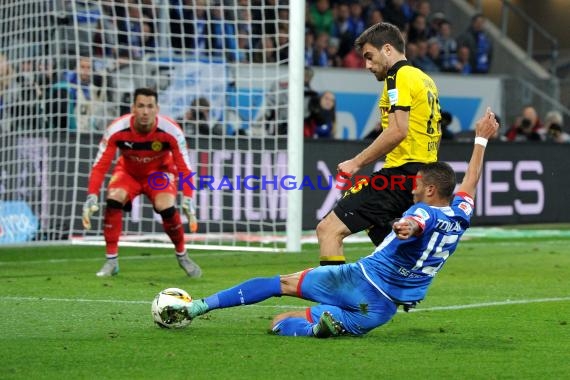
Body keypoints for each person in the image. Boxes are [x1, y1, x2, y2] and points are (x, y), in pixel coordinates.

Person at [161, 109, 499, 338]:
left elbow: (418, 222)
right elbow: (470, 179)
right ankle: (321, 324)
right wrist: (481, 140)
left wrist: (405, 227)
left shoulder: (423, 213)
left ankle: (198, 308)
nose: (411, 187)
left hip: (357, 281)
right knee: (287, 324)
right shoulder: (460, 214)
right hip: (380, 311)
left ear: (429, 189)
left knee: (279, 286)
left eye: (417, 183)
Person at [317, 22, 442, 266]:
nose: (367, 65)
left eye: (369, 57)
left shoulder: (398, 75)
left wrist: (356, 162)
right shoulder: (424, 79)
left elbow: (398, 131)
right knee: (382, 230)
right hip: (422, 174)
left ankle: (336, 303)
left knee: (328, 229)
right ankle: (405, 275)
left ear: (387, 49)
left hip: (402, 173)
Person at [82, 87, 202, 278]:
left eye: (149, 106)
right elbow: (99, 166)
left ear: (157, 109)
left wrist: (188, 197)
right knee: (114, 198)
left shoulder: (171, 131)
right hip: (128, 173)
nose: (145, 111)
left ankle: (182, 255)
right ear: (133, 108)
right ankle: (111, 260)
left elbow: (185, 167)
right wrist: (91, 194)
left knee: (166, 206)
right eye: (140, 106)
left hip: (158, 174)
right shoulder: (117, 129)